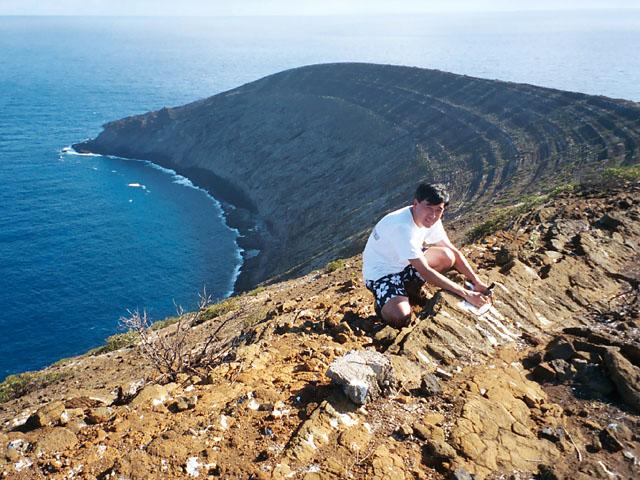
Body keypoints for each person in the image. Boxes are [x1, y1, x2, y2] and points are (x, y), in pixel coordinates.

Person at [363, 183, 491, 328]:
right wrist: (467, 294)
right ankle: (383, 304)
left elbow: (453, 251)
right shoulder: (402, 227)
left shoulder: (431, 219)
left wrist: (476, 281)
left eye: (438, 210)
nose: (433, 215)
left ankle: (410, 290)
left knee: (447, 256)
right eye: (428, 208)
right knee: (401, 317)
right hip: (382, 274)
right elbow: (426, 271)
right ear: (415, 203)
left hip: (406, 263)